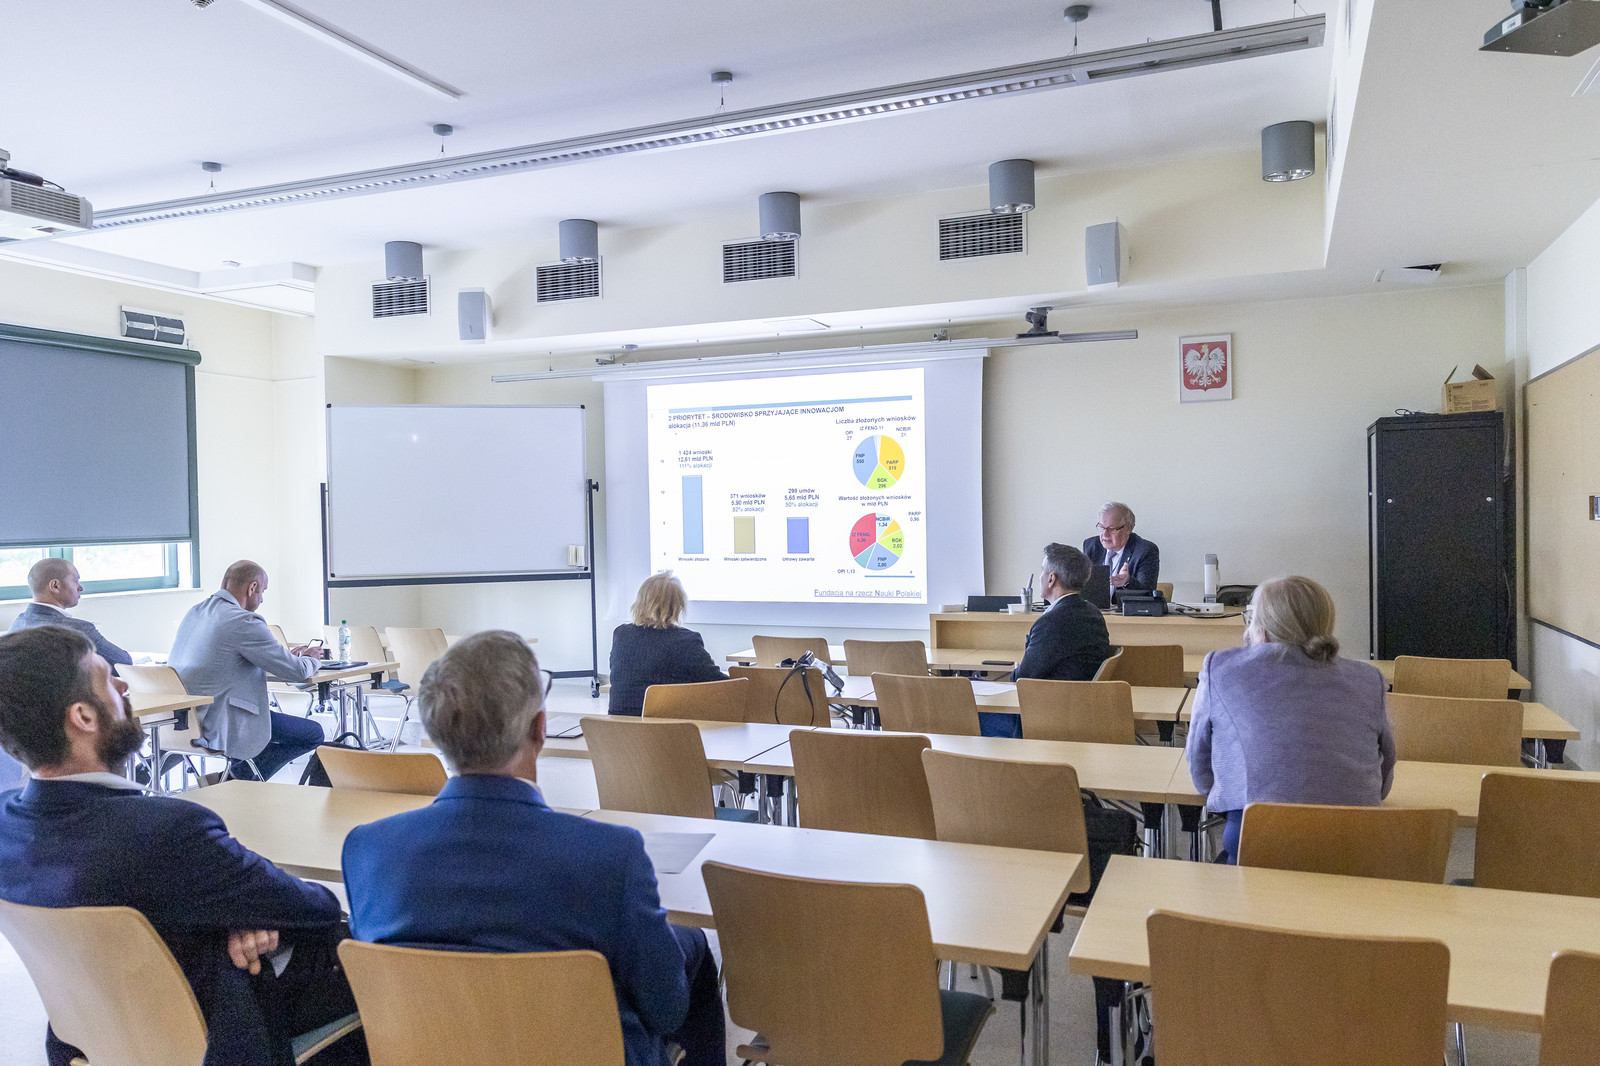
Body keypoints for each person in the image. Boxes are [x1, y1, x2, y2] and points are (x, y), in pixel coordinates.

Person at [342, 630, 725, 1066]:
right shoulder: (610, 855)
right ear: (540, 728)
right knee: (691, 947)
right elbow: (667, 1009)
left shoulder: (366, 850)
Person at [0, 625, 365, 1066]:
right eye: (108, 679)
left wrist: (239, 912)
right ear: (84, 717)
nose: (123, 686)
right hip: (211, 1040)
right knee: (373, 949)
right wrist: (247, 915)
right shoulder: (169, 831)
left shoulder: (6, 826)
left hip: (94, 1041)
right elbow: (314, 907)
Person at [1185, 575, 1395, 865]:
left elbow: (1200, 768)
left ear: (1262, 630)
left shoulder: (1220, 669)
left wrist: (1232, 791)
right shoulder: (1369, 679)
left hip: (1257, 851)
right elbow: (1383, 779)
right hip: (1354, 856)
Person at [168, 560, 325, 782]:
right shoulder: (243, 621)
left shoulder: (195, 613)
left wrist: (286, 656)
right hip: (220, 722)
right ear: (252, 588)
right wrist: (311, 658)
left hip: (182, 721)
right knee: (313, 733)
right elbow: (297, 671)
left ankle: (235, 778)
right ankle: (235, 777)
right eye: (263, 592)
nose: (262, 599)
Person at [999, 543, 1115, 738]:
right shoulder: (1093, 612)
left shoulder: (1051, 622)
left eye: (1042, 571)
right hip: (1079, 712)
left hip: (1047, 718)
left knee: (967, 711)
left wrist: (1017, 670)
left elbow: (1022, 680)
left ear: (1051, 579)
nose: (1040, 577)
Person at [607, 571, 727, 717]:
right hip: (665, 728)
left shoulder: (621, 634)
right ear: (677, 606)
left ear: (640, 602)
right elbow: (720, 685)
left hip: (617, 728)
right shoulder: (686, 640)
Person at [7, 558, 132, 668]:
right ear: (55, 586)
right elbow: (122, 663)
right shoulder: (77, 629)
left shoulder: (18, 623)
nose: (80, 588)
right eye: (75, 581)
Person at [1081, 501, 1160, 603]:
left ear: (1128, 528)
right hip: (1095, 610)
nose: (1105, 534)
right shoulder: (1091, 546)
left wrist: (1127, 582)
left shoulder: (1145, 550)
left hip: (1125, 612)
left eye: (1111, 529)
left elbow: (1148, 594)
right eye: (1101, 527)